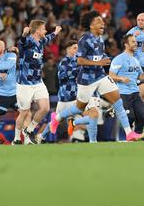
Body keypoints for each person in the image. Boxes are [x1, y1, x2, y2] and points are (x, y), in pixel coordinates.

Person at [50, 11, 142, 141]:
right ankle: (57, 118)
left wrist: (106, 58)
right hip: (87, 79)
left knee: (117, 100)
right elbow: (80, 61)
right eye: (98, 21)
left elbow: (99, 55)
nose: (102, 23)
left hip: (100, 75)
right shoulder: (84, 39)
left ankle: (128, 133)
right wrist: (99, 62)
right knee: (78, 107)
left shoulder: (100, 39)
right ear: (91, 25)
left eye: (102, 21)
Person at [15, 20, 62, 144]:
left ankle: (29, 130)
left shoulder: (41, 41)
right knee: (24, 112)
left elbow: (49, 37)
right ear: (37, 31)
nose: (45, 31)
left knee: (45, 108)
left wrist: (55, 32)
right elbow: (22, 43)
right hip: (25, 83)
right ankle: (16, 139)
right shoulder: (28, 41)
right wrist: (24, 34)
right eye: (44, 29)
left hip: (38, 82)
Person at [38, 41, 79, 143]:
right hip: (66, 95)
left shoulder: (76, 61)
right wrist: (81, 69)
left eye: (77, 48)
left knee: (63, 119)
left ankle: (42, 137)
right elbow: (65, 76)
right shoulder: (64, 62)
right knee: (58, 119)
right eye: (74, 48)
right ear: (68, 49)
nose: (77, 50)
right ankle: (42, 136)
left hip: (74, 95)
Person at [109, 35, 144, 134]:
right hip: (123, 93)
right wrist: (121, 78)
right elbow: (111, 75)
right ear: (126, 44)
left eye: (135, 41)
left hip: (135, 93)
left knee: (142, 116)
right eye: (133, 42)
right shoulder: (119, 59)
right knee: (130, 117)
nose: (136, 43)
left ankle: (137, 135)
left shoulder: (135, 60)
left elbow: (140, 76)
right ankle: (129, 136)